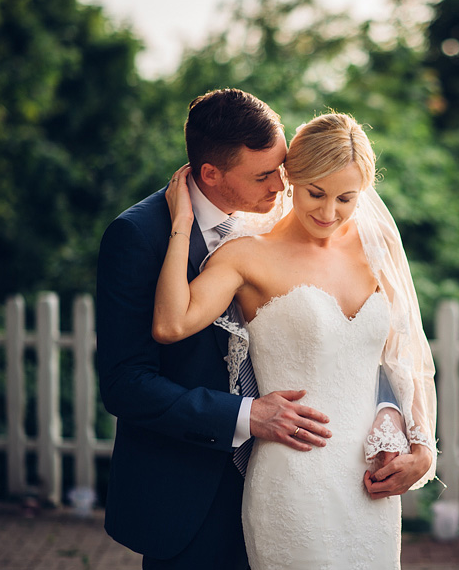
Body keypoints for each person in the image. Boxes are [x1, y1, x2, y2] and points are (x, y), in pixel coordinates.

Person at [96, 89, 430, 570]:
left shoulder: (367, 243)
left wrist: (401, 426)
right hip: (208, 485)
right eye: (267, 175)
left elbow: (379, 354)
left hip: (355, 483)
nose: (281, 183)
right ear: (211, 174)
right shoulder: (144, 236)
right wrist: (243, 415)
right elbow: (127, 381)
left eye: (283, 168)